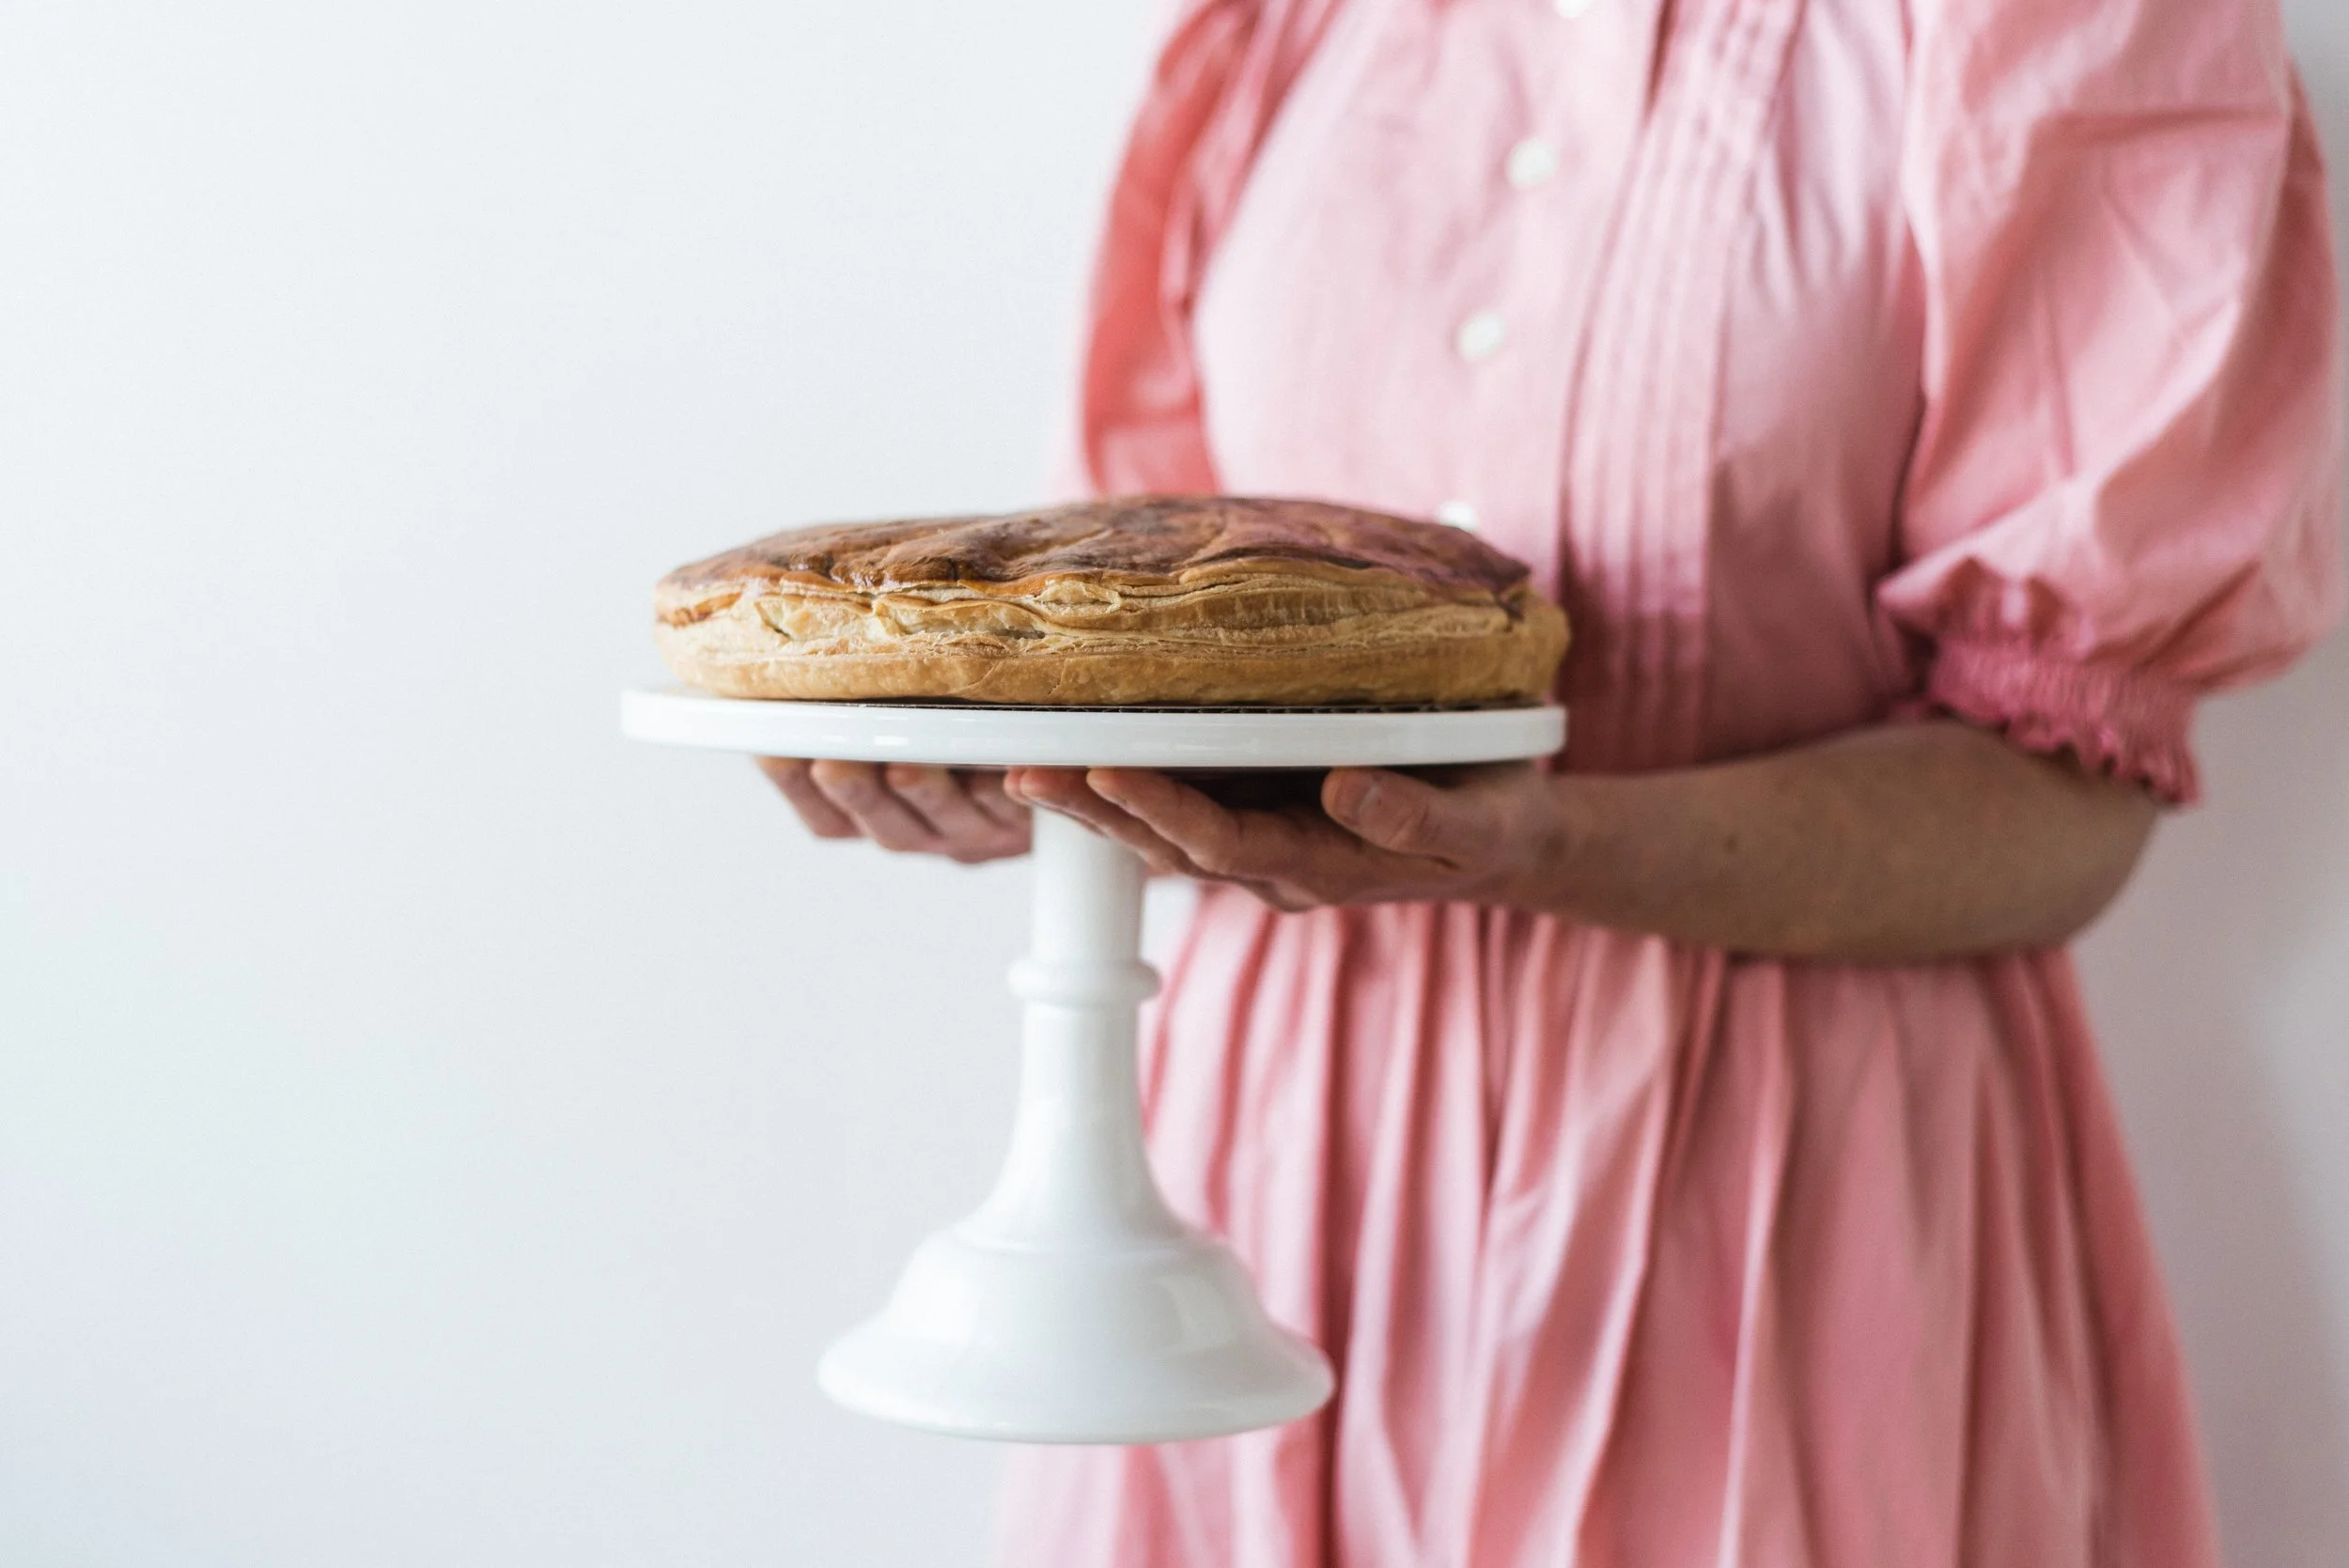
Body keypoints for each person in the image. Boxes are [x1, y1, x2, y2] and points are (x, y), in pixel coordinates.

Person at [759, 0, 2344, 1561]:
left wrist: (1553, 839)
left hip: (1784, 1199)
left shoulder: (2062, 26)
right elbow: (1147, 640)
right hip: (1254, 1196)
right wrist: (1042, 789)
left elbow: (2068, 796)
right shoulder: (1277, 32)